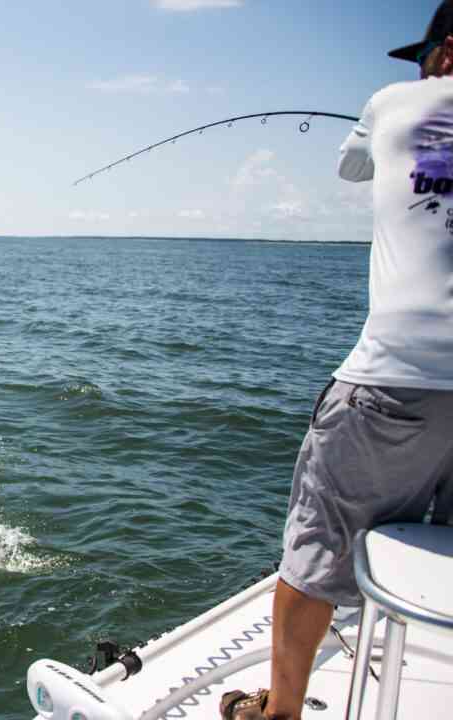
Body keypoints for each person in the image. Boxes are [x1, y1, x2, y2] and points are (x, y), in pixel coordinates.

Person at [220, 3, 453, 719]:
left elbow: (351, 165)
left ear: (444, 56)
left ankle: (280, 711)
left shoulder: (394, 102)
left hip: (397, 376)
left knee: (313, 554)